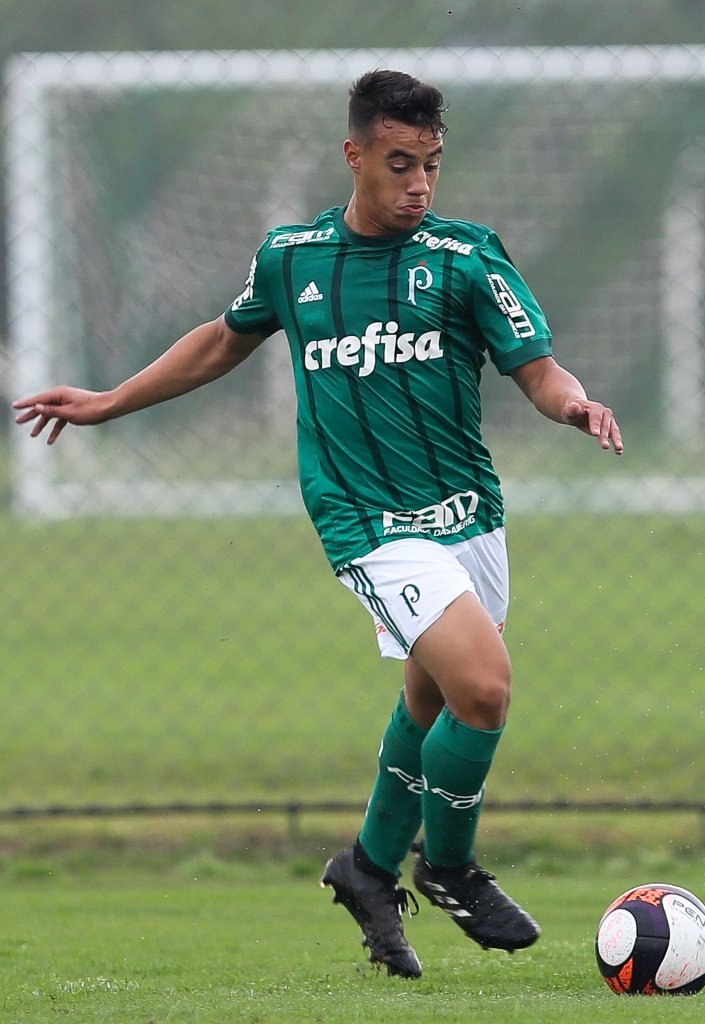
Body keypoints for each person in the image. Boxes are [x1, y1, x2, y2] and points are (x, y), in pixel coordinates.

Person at [13, 69, 623, 978]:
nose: (418, 183)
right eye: (399, 163)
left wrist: (571, 405)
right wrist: (108, 401)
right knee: (483, 691)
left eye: (432, 166)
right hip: (364, 519)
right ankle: (448, 866)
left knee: (430, 703)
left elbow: (535, 365)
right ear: (356, 156)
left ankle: (368, 869)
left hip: (466, 514)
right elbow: (222, 340)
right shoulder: (293, 255)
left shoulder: (465, 257)